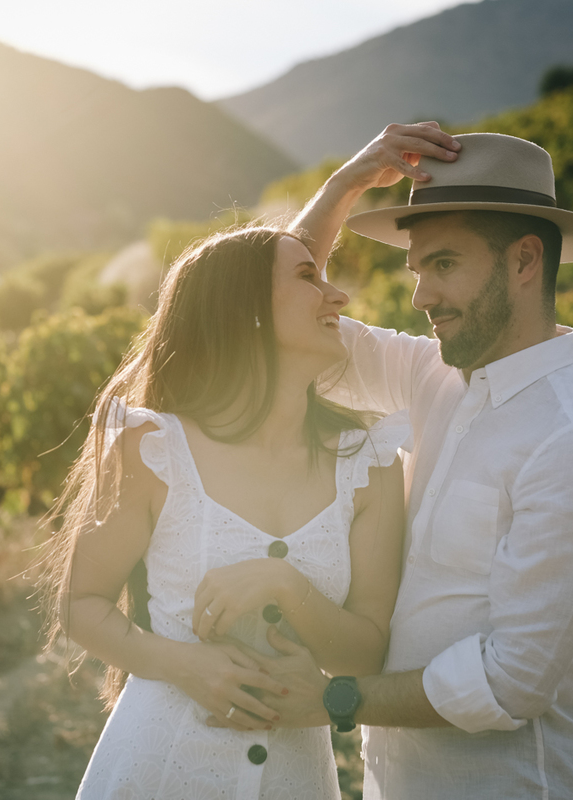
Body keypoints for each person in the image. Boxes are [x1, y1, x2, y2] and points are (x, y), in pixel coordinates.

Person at [207, 125, 573, 799]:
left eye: (442, 265)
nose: (420, 298)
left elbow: (512, 682)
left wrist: (334, 700)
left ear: (524, 262)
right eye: (417, 271)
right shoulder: (431, 373)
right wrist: (342, 187)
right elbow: (275, 318)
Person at [39, 208, 420, 798]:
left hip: (293, 779)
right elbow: (80, 602)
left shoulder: (369, 465)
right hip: (156, 770)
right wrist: (186, 665)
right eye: (308, 277)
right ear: (247, 312)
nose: (337, 295)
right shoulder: (154, 448)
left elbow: (366, 653)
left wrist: (282, 583)